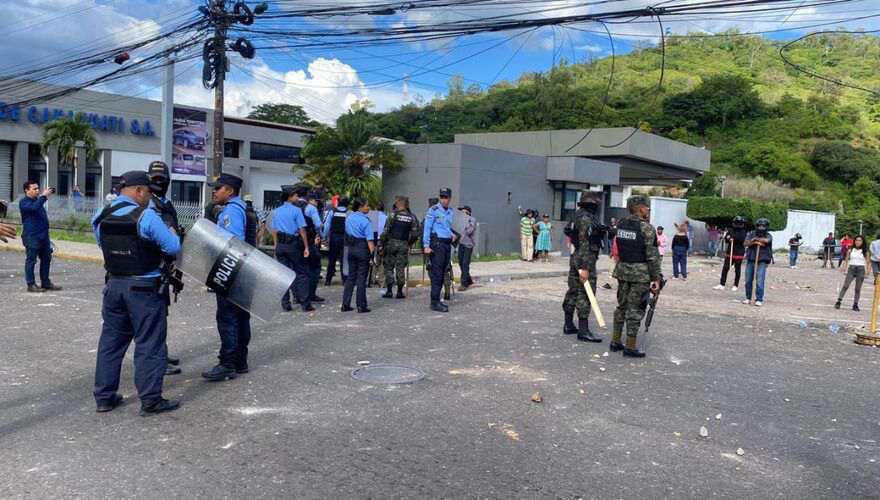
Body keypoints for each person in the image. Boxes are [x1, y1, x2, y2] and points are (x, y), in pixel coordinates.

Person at [91, 170, 181, 416]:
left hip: (114, 286)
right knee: (149, 344)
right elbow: (173, 247)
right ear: (139, 190)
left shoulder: (101, 214)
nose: (150, 198)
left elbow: (103, 245)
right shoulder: (146, 217)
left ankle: (104, 397)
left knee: (110, 343)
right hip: (144, 290)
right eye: (148, 192)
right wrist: (172, 232)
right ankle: (151, 400)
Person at [203, 173, 252, 382]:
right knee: (241, 317)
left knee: (227, 318)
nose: (214, 191)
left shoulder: (230, 211)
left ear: (230, 191)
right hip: (247, 271)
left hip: (233, 270)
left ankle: (227, 364)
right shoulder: (245, 209)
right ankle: (240, 361)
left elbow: (234, 243)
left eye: (218, 188)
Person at [611, 195, 661, 357]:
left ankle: (615, 341)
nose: (648, 210)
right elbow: (652, 256)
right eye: (647, 207)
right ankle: (630, 346)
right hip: (640, 274)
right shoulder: (646, 228)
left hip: (622, 271)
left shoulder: (621, 224)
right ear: (640, 208)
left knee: (622, 306)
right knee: (636, 308)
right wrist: (656, 278)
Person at [147, 160, 184, 377]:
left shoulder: (165, 202)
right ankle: (157, 359)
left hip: (166, 265)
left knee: (162, 314)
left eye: (162, 179)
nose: (159, 182)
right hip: (154, 264)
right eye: (155, 179)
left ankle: (162, 351)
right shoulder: (149, 204)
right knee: (154, 317)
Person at [562, 190, 604, 343]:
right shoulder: (586, 218)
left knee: (573, 290)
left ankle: (568, 325)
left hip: (576, 256)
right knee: (586, 293)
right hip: (586, 258)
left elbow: (568, 230)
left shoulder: (577, 215)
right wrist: (585, 267)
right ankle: (583, 330)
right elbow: (585, 242)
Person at [272, 185, 312, 313]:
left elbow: (274, 230)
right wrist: (306, 247)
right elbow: (302, 230)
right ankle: (305, 303)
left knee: (284, 275)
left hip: (280, 245)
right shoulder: (296, 211)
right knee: (302, 273)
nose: (297, 197)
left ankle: (286, 303)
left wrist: (276, 245)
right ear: (289, 197)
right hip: (293, 244)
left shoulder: (276, 211)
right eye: (295, 195)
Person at [19, 180, 61, 293]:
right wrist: (44, 196)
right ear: (27, 190)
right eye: (34, 189)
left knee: (47, 259)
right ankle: (31, 284)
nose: (37, 191)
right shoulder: (24, 202)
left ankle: (45, 282)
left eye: (38, 188)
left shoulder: (38, 201)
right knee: (31, 260)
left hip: (43, 237)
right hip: (31, 236)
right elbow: (33, 208)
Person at [381, 196, 420, 299]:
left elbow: (385, 232)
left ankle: (389, 291)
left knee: (389, 267)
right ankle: (399, 292)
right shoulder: (412, 217)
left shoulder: (392, 215)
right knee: (400, 268)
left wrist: (382, 244)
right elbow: (416, 234)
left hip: (391, 244)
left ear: (398, 204)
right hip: (403, 245)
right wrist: (409, 243)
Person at [424, 188, 456, 312]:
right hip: (437, 245)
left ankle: (437, 299)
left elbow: (448, 228)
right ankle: (434, 302)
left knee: (443, 273)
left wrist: (452, 235)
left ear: (450, 198)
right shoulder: (433, 210)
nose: (444, 199)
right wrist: (426, 245)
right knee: (437, 274)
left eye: (446, 197)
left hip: (447, 245)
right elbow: (427, 228)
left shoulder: (451, 212)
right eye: (442, 197)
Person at [342, 198, 374, 313]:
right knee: (361, 278)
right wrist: (372, 255)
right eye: (366, 205)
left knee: (351, 277)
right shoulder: (366, 221)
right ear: (360, 207)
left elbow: (347, 232)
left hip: (351, 248)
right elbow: (370, 240)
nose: (368, 207)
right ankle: (361, 305)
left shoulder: (349, 218)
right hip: (362, 248)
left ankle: (345, 304)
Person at [743, 217, 773, 306]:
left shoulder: (768, 235)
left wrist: (757, 240)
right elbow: (745, 243)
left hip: (762, 260)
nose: (761, 228)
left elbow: (767, 240)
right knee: (748, 279)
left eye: (763, 226)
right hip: (751, 259)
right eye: (759, 226)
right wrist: (753, 241)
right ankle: (748, 297)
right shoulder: (751, 234)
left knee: (760, 280)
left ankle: (759, 298)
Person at [303, 189, 325, 303]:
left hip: (301, 241)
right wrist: (322, 234)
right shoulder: (312, 209)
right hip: (311, 241)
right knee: (315, 268)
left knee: (303, 268)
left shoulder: (303, 208)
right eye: (316, 200)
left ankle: (301, 294)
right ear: (311, 200)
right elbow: (318, 225)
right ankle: (311, 294)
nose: (317, 202)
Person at [835, 235, 868, 311]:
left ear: (862, 242)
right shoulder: (850, 249)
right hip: (852, 268)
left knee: (857, 288)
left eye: (860, 240)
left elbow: (868, 262)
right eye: (856, 240)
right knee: (846, 285)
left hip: (861, 269)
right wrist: (845, 268)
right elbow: (846, 259)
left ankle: (855, 304)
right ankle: (839, 301)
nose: (858, 242)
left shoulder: (865, 251)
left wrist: (867, 272)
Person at [715, 216, 747, 291]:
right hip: (730, 252)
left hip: (739, 253)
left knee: (737, 269)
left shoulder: (743, 231)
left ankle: (736, 285)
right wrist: (728, 238)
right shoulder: (731, 230)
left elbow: (741, 239)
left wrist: (733, 238)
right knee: (725, 268)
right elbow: (726, 238)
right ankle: (722, 284)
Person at [322, 197, 349, 285]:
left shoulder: (332, 212)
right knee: (344, 260)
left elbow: (327, 226)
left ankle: (328, 280)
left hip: (334, 237)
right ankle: (345, 280)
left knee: (332, 259)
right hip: (345, 238)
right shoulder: (349, 213)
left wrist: (324, 237)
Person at [457, 206, 476, 290]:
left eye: (464, 212)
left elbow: (470, 231)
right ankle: (468, 279)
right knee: (461, 263)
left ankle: (464, 284)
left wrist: (464, 223)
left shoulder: (472, 220)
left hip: (468, 245)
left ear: (468, 213)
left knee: (465, 263)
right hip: (461, 244)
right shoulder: (460, 221)